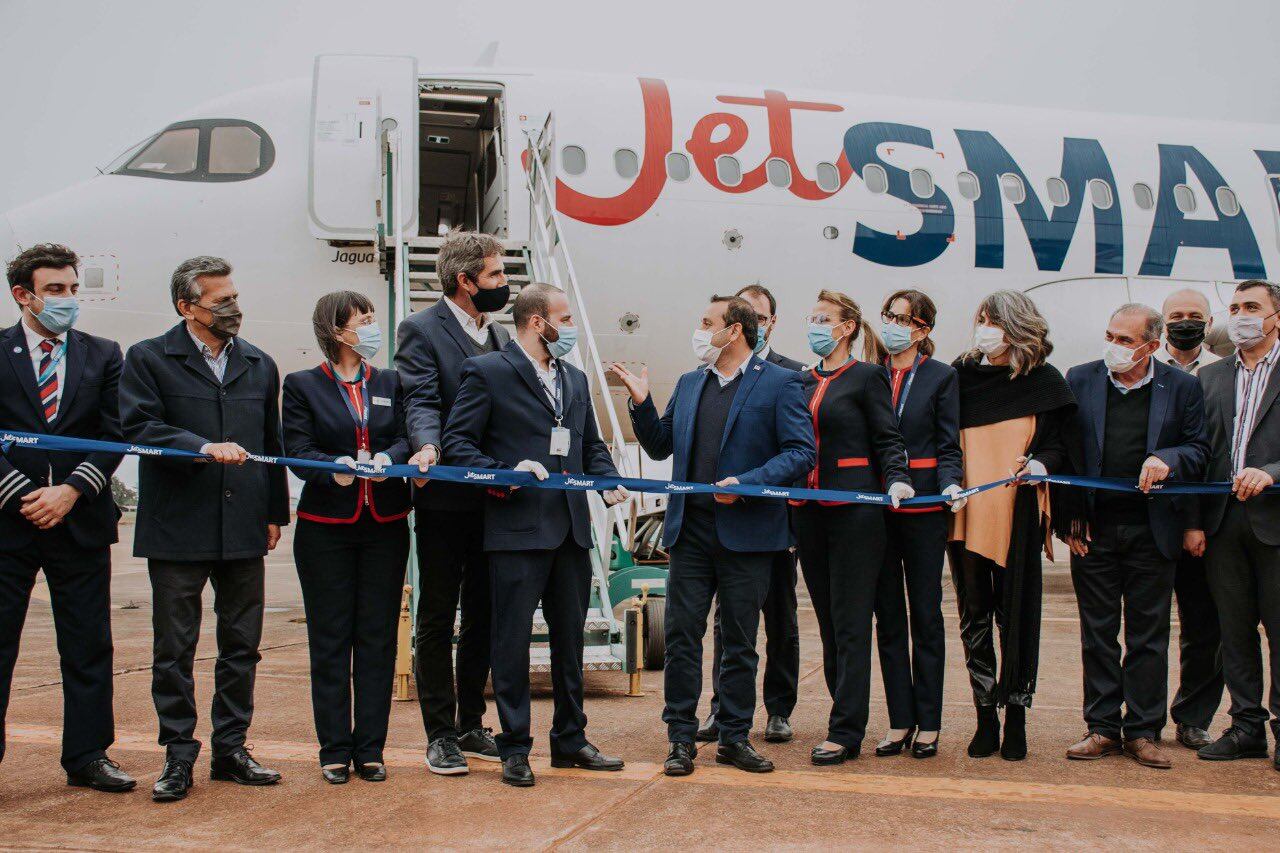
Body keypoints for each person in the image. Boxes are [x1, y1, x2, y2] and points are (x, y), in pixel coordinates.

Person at [612, 295, 816, 776]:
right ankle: (680, 739)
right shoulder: (688, 384)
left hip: (749, 533)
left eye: (707, 323)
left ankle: (733, 736)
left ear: (735, 332)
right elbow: (661, 448)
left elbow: (801, 452)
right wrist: (642, 404)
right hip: (691, 533)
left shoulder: (783, 385)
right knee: (684, 639)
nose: (700, 331)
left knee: (740, 642)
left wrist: (746, 484)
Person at [443, 282, 630, 788]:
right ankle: (515, 746)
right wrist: (505, 474)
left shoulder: (573, 378)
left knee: (569, 643)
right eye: (564, 319)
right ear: (536, 322)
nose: (569, 328)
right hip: (517, 530)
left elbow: (590, 446)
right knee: (512, 643)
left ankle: (570, 739)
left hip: (570, 530)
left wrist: (608, 482)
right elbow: (457, 444)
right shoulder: (488, 372)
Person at [120, 256, 290, 802]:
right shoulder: (148, 358)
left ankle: (232, 750)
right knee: (175, 647)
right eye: (220, 301)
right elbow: (139, 425)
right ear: (186, 306)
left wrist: (273, 513)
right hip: (179, 527)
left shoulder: (260, 364)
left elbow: (270, 443)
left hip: (242, 525)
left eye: (234, 297)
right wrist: (199, 448)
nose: (233, 308)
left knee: (242, 645)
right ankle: (177, 755)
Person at [0, 244, 134, 792]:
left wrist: (72, 491)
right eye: (56, 290)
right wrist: (23, 494)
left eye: (74, 289)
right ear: (22, 295)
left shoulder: (102, 354)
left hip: (78, 519)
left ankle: (88, 755)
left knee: (86, 642)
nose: (68, 299)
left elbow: (114, 433)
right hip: (8, 522)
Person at [1059, 304, 1208, 770]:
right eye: (1110, 336)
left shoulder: (1182, 387)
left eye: (1125, 340)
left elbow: (1199, 448)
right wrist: (1069, 521)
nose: (1115, 347)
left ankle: (1143, 730)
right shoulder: (1081, 379)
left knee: (1148, 636)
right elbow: (1064, 453)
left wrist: (1168, 457)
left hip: (1153, 531)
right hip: (1095, 531)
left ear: (1151, 344)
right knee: (1098, 633)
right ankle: (1102, 727)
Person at [282, 291, 411, 784]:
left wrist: (388, 459)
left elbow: (402, 435)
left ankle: (371, 748)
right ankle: (334, 749)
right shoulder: (302, 385)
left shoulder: (391, 382)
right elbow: (295, 448)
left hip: (384, 524)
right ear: (338, 332)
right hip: (326, 529)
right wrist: (329, 468)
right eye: (364, 320)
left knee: (376, 639)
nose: (373, 327)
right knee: (331, 640)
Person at [395, 231, 509, 774]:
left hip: (492, 498)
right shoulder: (421, 329)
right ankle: (439, 733)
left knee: (484, 615)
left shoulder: (501, 335)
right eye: (495, 276)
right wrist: (427, 446)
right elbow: (420, 397)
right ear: (465, 281)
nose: (504, 285)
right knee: (438, 616)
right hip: (443, 496)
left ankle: (470, 722)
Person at [784, 290, 914, 765]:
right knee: (828, 622)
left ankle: (846, 730)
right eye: (812, 316)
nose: (815, 325)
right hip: (808, 510)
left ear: (847, 328)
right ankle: (843, 715)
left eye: (824, 318)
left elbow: (887, 437)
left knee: (853, 622)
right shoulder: (799, 380)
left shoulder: (866, 377)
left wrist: (897, 478)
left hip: (856, 513)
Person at [949, 290, 1075, 762]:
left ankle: (1017, 713)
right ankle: (985, 715)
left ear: (1016, 326)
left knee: (1018, 617)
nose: (984, 327)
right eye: (980, 317)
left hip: (1018, 511)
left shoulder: (1044, 381)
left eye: (993, 320)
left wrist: (1042, 461)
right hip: (966, 512)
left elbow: (1062, 444)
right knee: (974, 617)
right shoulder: (959, 375)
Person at [695, 283, 805, 745]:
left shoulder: (791, 373)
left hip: (774, 520)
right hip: (723, 522)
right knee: (729, 623)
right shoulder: (709, 373)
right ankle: (723, 709)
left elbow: (801, 451)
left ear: (768, 323)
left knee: (780, 616)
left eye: (756, 315)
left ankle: (778, 708)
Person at [1187, 279, 1280, 772]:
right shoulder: (1213, 376)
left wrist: (1272, 473)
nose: (1242, 315)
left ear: (1276, 317)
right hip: (1223, 521)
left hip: (1274, 520)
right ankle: (1246, 727)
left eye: (1252, 307)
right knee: (1235, 629)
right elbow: (1203, 453)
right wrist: (1195, 522)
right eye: (1236, 307)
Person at [872, 289, 964, 759]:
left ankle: (929, 721)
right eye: (888, 315)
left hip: (924, 508)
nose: (892, 324)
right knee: (888, 617)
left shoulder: (940, 377)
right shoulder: (871, 375)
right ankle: (898, 720)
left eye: (902, 318)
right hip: (878, 510)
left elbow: (948, 444)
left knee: (925, 615)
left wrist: (951, 483)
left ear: (923, 329)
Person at [1153, 288, 1224, 750]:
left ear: (1208, 320)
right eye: (1176, 315)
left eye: (1193, 316)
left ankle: (1193, 716)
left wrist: (1196, 520)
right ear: (1161, 323)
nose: (1184, 322)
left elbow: (1210, 454)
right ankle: (1143, 716)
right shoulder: (1144, 369)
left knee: (1204, 627)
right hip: (1152, 520)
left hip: (1205, 520)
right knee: (1148, 627)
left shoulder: (1223, 375)